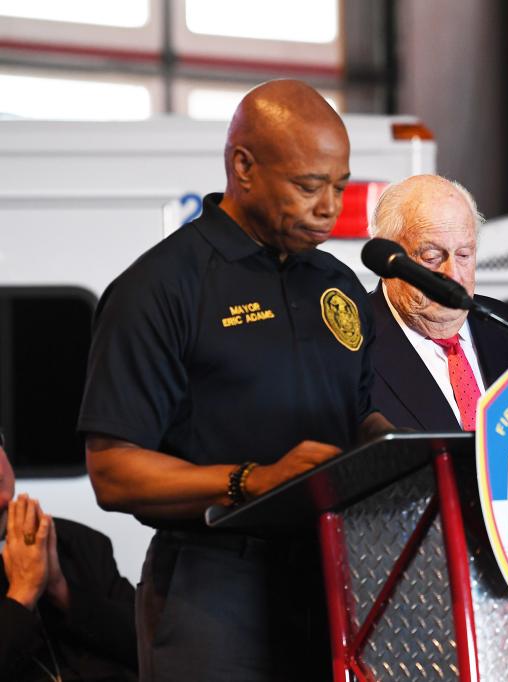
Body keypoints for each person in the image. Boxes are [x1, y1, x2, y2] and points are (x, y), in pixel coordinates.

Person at [77, 79, 393, 682]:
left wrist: (403, 450)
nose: (329, 205)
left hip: (335, 576)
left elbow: (357, 417)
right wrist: (251, 480)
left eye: (339, 185)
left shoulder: (337, 284)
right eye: (308, 186)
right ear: (244, 167)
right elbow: (112, 470)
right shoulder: (161, 288)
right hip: (214, 585)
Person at [367, 174, 508, 430]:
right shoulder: (352, 346)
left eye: (463, 254)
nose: (452, 275)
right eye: (431, 256)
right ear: (386, 259)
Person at [1, 430, 137, 681]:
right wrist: (23, 593)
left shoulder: (75, 540)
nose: (5, 500)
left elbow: (145, 642)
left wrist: (61, 590)